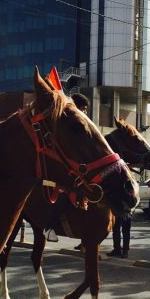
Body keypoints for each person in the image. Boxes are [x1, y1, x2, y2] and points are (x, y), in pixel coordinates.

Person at [44, 91, 89, 243]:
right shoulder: (63, 123)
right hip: (58, 166)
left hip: (76, 167)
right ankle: (49, 226)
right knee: (64, 191)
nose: (84, 112)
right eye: (83, 108)